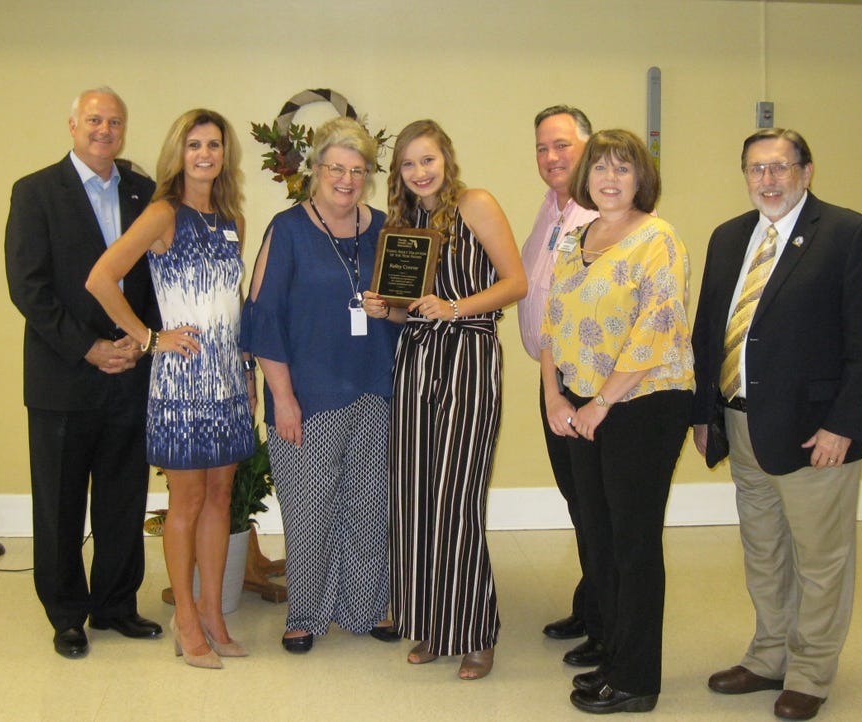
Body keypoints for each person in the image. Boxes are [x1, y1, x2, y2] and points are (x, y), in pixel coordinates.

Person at [691, 128, 862, 721]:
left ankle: (810, 672)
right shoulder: (729, 237)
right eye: (756, 169)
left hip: (814, 433)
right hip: (741, 423)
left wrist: (844, 426)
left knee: (820, 559)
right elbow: (709, 330)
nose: (768, 180)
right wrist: (704, 413)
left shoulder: (849, 234)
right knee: (764, 551)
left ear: (806, 172)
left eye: (780, 167)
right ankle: (768, 655)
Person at [86, 108, 255, 669]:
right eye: (194, 144)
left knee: (221, 496)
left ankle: (213, 612)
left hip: (228, 378)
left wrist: (247, 370)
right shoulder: (163, 213)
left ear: (225, 155)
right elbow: (100, 278)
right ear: (178, 153)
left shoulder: (232, 219)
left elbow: (232, 302)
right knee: (187, 501)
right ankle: (185, 618)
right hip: (182, 380)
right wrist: (149, 337)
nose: (205, 154)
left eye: (214, 145)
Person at [362, 119, 527, 681]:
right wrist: (386, 309)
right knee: (414, 496)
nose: (419, 172)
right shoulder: (404, 226)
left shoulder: (475, 205)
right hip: (416, 360)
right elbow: (412, 312)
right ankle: (432, 624)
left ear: (446, 160)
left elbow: (516, 282)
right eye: (408, 163)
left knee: (456, 498)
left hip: (468, 358)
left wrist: (455, 308)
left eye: (427, 159)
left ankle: (475, 633)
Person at [4, 87, 163, 659]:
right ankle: (67, 614)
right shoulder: (35, 192)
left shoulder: (144, 192)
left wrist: (142, 341)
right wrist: (89, 347)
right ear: (73, 125)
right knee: (60, 504)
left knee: (123, 498)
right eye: (94, 120)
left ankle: (116, 605)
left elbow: (157, 280)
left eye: (114, 121)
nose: (104, 130)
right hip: (63, 377)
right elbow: (29, 288)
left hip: (130, 373)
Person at [540, 129, 694, 714]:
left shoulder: (659, 239)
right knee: (599, 534)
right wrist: (555, 397)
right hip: (582, 403)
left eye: (622, 168)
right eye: (600, 167)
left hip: (643, 405)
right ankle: (613, 654)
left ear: (640, 179)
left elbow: (658, 329)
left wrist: (600, 403)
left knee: (633, 542)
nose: (609, 178)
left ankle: (636, 680)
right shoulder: (574, 239)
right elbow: (552, 323)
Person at [240, 117, 401, 655]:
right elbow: (262, 317)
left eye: (358, 170)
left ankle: (367, 606)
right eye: (336, 167)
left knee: (369, 503)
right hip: (307, 394)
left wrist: (390, 308)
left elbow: (408, 309)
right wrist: (283, 398)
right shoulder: (288, 230)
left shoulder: (385, 229)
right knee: (309, 510)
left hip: (375, 386)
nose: (347, 179)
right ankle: (305, 613)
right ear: (315, 169)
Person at [517, 105, 603, 666]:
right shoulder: (551, 209)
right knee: (580, 502)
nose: (551, 157)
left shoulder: (604, 211)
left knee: (599, 507)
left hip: (592, 385)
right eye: (543, 148)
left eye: (562, 145)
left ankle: (607, 623)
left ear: (588, 147)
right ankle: (592, 603)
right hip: (555, 379)